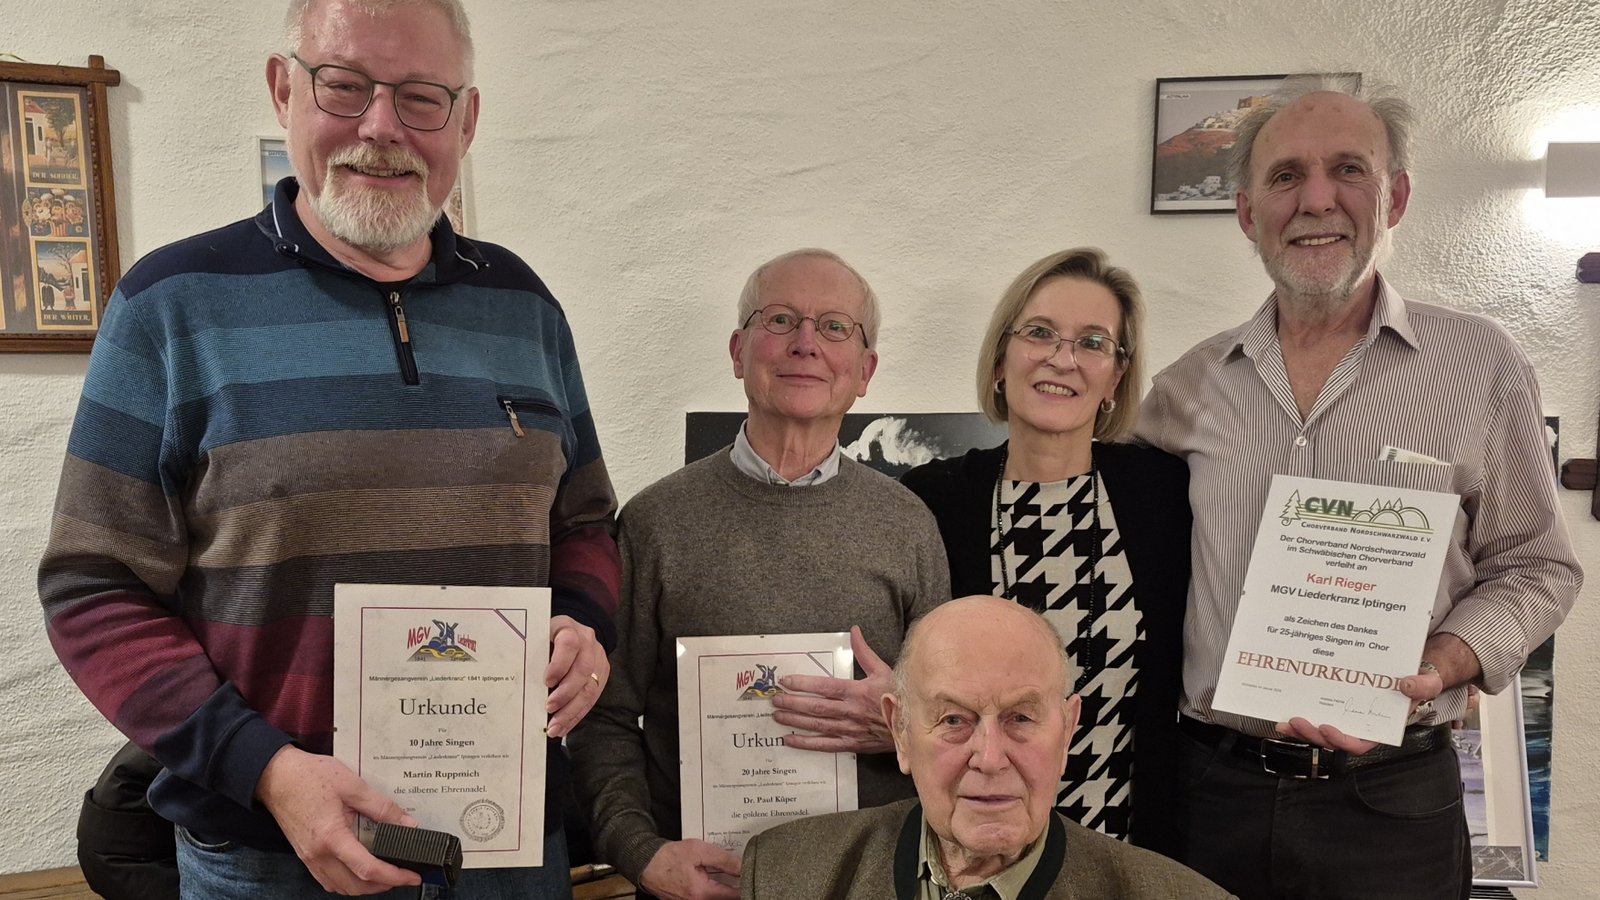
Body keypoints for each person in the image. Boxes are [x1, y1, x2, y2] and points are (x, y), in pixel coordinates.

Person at [37, 1, 621, 896]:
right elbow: (91, 588)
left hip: (505, 848)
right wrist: (266, 769)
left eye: (422, 98)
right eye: (345, 86)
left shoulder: (526, 308)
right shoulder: (171, 307)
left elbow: (584, 520)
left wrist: (585, 621)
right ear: (285, 89)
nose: (381, 128)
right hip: (268, 861)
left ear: (467, 120)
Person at [1136, 75, 1582, 900]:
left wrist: (1445, 661)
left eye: (1348, 170)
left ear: (1396, 196)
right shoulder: (1186, 388)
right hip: (1208, 794)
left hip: (1393, 799)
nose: (1316, 199)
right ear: (1246, 214)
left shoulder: (1483, 366)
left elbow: (1539, 567)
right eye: (1284, 176)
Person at [568, 248, 951, 900]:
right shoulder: (655, 521)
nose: (806, 343)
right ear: (739, 349)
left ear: (865, 370)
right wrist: (644, 854)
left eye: (835, 327)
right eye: (781, 320)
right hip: (702, 886)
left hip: (869, 883)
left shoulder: (910, 526)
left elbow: (955, 725)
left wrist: (907, 724)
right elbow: (604, 718)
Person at [900, 248, 1190, 856]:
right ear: (1002, 359)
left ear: (1115, 377)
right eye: (1040, 333)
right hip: (969, 855)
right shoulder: (930, 503)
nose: (1062, 358)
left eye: (1092, 342)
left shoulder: (1167, 496)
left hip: (1125, 856)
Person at [740, 595, 1233, 899]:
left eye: (1021, 718)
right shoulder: (784, 876)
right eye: (954, 719)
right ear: (900, 731)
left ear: (1066, 731)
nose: (991, 758)